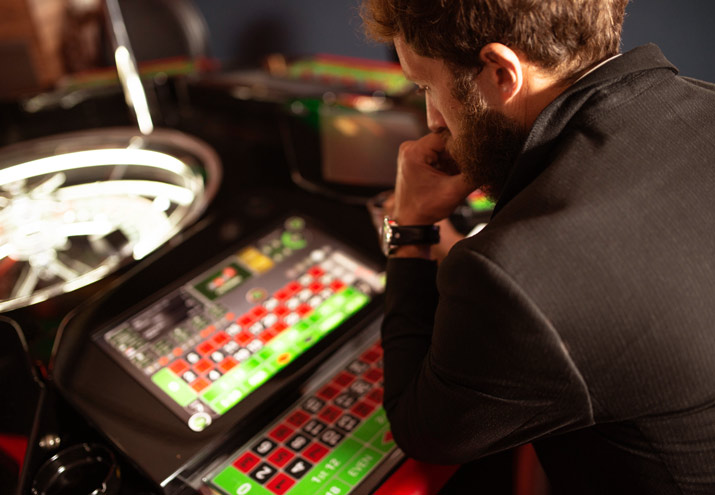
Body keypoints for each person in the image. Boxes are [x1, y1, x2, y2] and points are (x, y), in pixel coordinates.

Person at [360, 0, 715, 493]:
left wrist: (412, 226)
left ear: (502, 72)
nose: (432, 119)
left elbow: (423, 430)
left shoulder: (513, 277)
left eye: (427, 86)